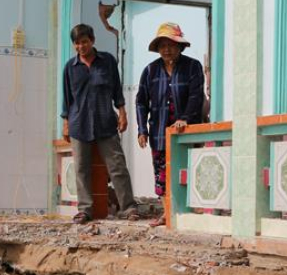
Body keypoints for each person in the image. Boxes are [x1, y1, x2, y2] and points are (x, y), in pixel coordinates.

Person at [61, 24, 139, 225]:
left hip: (105, 121)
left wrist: (122, 113)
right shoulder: (70, 68)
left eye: (84, 42)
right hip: (79, 124)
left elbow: (117, 91)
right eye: (77, 43)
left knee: (117, 166)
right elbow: (67, 99)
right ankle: (85, 210)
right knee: (81, 169)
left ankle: (128, 208)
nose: (81, 46)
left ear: (92, 40)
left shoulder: (108, 62)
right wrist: (65, 123)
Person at [136, 22, 205, 227]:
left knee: (186, 169)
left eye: (171, 45)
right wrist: (142, 130)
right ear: (157, 48)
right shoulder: (150, 71)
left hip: (186, 131)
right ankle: (167, 214)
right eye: (162, 45)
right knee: (161, 173)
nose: (167, 49)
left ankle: (187, 213)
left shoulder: (193, 67)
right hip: (158, 131)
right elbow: (141, 101)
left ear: (180, 46)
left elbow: (196, 96)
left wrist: (185, 118)